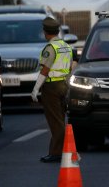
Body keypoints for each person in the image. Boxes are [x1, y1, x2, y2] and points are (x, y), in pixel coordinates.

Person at [31, 17, 73, 163]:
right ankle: (59, 150)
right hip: (63, 84)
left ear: (45, 32)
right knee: (60, 118)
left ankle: (56, 153)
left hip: (51, 87)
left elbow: (45, 70)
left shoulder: (50, 48)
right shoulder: (66, 46)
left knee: (55, 121)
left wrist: (35, 90)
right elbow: (69, 68)